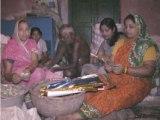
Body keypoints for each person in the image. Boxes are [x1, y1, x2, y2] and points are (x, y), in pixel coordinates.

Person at [56, 14, 159, 120]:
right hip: (117, 76)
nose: (127, 30)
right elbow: (112, 60)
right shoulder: (121, 42)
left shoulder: (147, 46)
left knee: (112, 95)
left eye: (131, 27)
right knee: (89, 82)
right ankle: (52, 91)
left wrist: (124, 69)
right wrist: (108, 66)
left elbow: (149, 70)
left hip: (138, 82)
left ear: (140, 27)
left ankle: (76, 116)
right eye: (126, 26)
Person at [2, 18, 63, 87]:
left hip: (30, 71)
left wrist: (29, 70)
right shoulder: (11, 45)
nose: (24, 32)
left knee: (56, 75)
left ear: (29, 31)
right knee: (39, 74)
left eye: (27, 29)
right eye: (21, 29)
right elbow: (7, 73)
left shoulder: (32, 42)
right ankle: (25, 88)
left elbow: (34, 61)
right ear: (16, 31)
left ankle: (29, 86)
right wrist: (13, 77)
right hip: (17, 74)